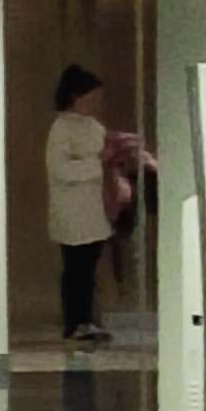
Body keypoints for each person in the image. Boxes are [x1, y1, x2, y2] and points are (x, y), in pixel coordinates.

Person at [42, 63, 120, 343]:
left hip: (94, 207)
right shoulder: (61, 129)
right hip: (73, 209)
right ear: (76, 97)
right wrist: (95, 166)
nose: (95, 104)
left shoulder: (93, 127)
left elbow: (105, 157)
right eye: (91, 98)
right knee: (76, 268)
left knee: (88, 268)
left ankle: (87, 319)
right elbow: (61, 169)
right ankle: (74, 322)